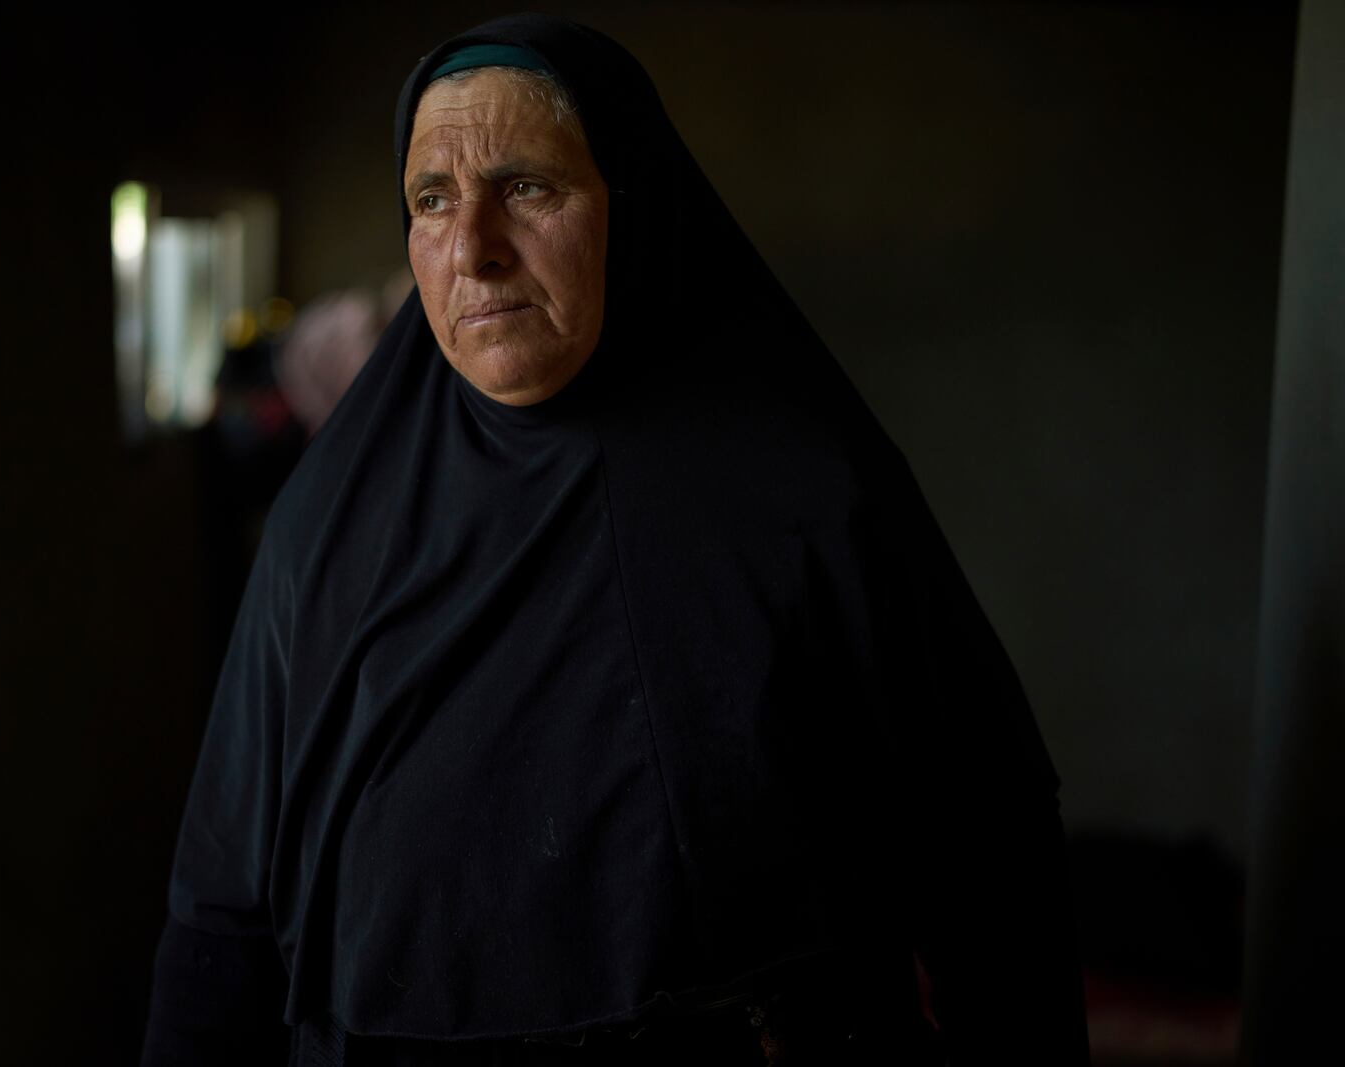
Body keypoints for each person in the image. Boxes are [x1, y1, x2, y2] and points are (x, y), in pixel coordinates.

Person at [142, 14, 1090, 1066]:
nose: (472, 247)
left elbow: (990, 854)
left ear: (629, 205)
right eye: (431, 200)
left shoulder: (805, 494)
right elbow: (220, 917)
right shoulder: (328, 520)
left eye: (529, 187)